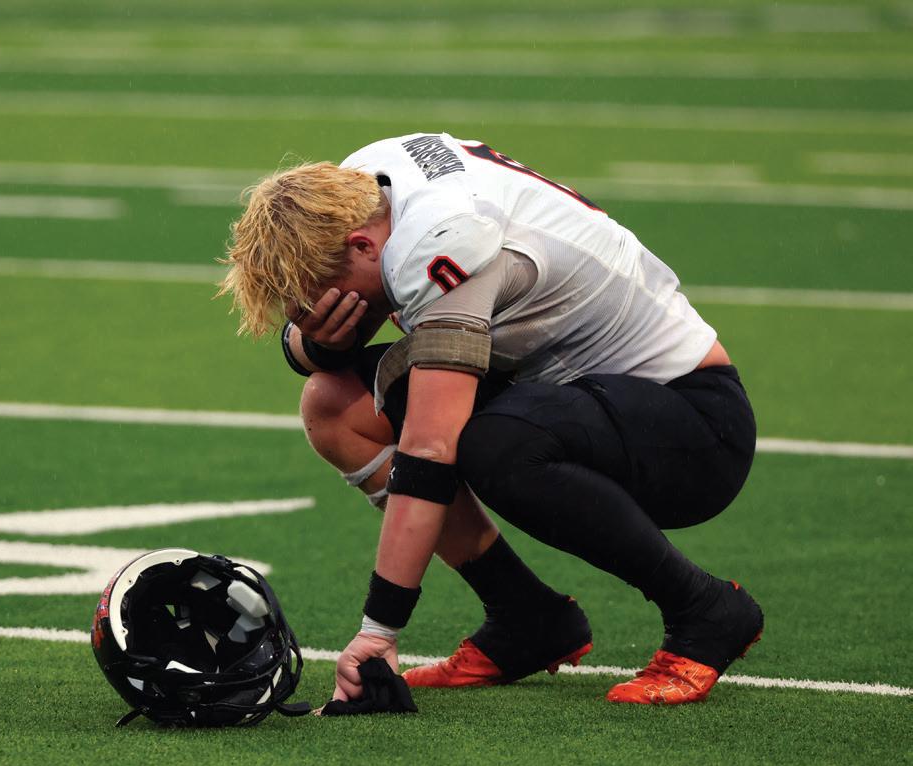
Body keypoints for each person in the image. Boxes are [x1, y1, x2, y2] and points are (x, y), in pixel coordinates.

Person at [217, 132, 763, 706]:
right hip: (575, 393)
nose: (314, 310)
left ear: (361, 246)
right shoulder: (367, 186)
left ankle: (705, 608)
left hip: (695, 426)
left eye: (320, 294)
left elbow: (430, 449)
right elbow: (321, 340)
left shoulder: (440, 242)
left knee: (494, 444)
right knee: (335, 405)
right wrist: (319, 343)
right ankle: (526, 617)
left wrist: (379, 631)